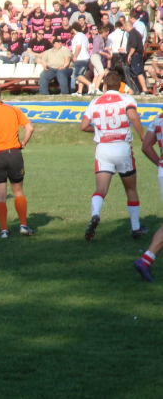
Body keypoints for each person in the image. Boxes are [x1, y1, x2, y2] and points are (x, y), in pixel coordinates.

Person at [80, 72, 147, 241]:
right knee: (131, 189)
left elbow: (83, 126)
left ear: (104, 85)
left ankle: (95, 214)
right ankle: (136, 228)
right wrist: (142, 135)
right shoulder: (126, 99)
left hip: (103, 148)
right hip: (122, 147)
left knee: (101, 189)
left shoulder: (94, 101)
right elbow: (132, 116)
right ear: (120, 86)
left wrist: (100, 130)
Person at [0, 85, 34, 239]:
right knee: (18, 192)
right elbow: (29, 128)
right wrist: (23, 143)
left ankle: (4, 230)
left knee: (1, 196)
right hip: (14, 154)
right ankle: (23, 225)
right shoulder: (13, 109)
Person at [135, 110, 163, 280]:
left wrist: (160, 165)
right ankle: (145, 261)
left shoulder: (159, 117)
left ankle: (145, 260)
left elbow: (146, 146)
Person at [125, 20, 148, 95]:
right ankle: (138, 88)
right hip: (136, 55)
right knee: (136, 72)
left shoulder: (133, 34)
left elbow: (134, 46)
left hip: (136, 55)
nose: (125, 30)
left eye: (125, 28)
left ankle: (144, 89)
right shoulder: (135, 33)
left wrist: (129, 55)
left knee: (138, 72)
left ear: (128, 26)